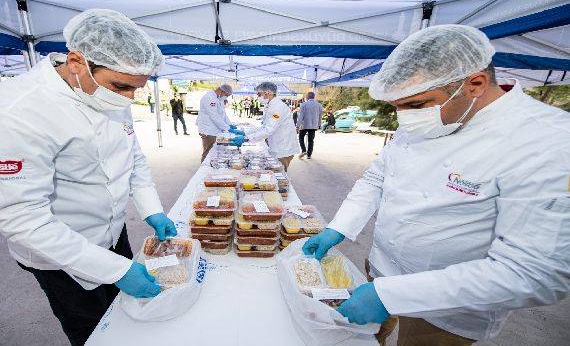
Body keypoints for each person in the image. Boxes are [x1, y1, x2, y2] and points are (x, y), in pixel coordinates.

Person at [303, 24, 569, 346]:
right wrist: (340, 227)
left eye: (415, 105)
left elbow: (534, 273)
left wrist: (392, 295)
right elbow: (377, 177)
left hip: (448, 303)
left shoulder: (549, 142)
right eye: (396, 106)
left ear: (475, 84)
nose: (404, 117)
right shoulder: (429, 117)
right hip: (380, 268)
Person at [0, 9, 178, 346]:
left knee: (125, 313)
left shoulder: (103, 88)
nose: (129, 98)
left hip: (110, 229)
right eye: (122, 86)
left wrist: (151, 208)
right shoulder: (12, 112)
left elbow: (132, 158)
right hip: (60, 252)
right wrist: (115, 270)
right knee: (93, 328)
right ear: (77, 62)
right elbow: (20, 216)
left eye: (136, 88)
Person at [229, 82, 301, 170]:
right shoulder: (271, 105)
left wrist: (246, 138)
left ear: (267, 93)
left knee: (279, 173)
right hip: (277, 145)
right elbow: (264, 127)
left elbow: (268, 130)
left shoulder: (277, 107)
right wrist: (244, 132)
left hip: (283, 148)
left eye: (259, 94)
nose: (258, 97)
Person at [196, 84, 234, 162]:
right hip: (208, 130)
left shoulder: (218, 98)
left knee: (214, 152)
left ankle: (211, 167)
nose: (226, 97)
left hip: (214, 129)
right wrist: (227, 128)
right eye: (227, 95)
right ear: (222, 91)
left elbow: (223, 114)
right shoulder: (209, 98)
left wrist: (230, 125)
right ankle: (204, 172)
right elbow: (214, 116)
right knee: (208, 152)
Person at [296, 92, 323, 159]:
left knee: (301, 137)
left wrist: (297, 126)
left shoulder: (304, 104)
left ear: (307, 97)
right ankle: (309, 155)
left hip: (304, 124)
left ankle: (303, 150)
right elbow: (320, 116)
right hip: (314, 125)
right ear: (313, 97)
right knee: (311, 140)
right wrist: (319, 124)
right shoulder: (319, 105)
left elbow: (300, 116)